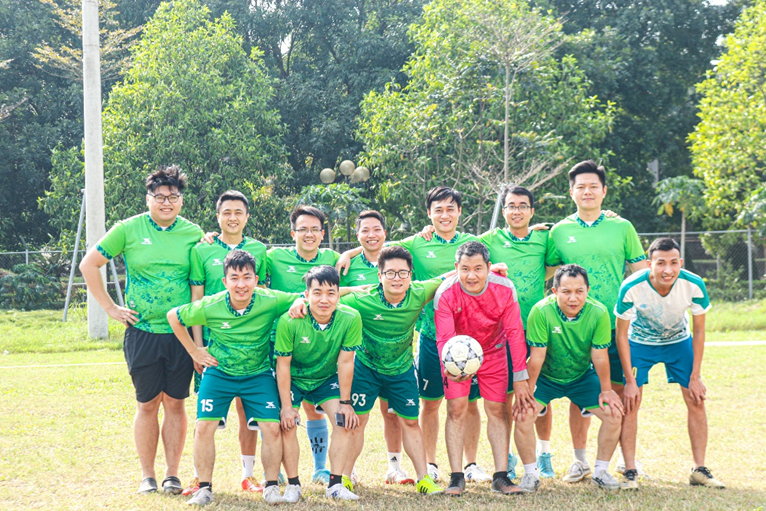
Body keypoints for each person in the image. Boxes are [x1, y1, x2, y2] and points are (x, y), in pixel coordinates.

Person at [338, 187, 487, 484]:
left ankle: (471, 464)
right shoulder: (416, 243)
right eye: (438, 210)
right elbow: (378, 245)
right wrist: (349, 251)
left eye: (450, 209)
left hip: (469, 340)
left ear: (460, 211)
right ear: (429, 214)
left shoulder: (475, 243)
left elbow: (466, 273)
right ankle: (428, 465)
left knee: (469, 403)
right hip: (431, 337)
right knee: (428, 403)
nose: (444, 215)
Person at [78, 165, 204, 495]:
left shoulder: (193, 233)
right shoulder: (128, 229)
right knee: (147, 404)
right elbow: (89, 264)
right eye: (159, 197)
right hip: (142, 331)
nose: (166, 202)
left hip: (180, 334)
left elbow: (205, 274)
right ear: (148, 198)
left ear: (181, 200)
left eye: (173, 197)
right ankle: (147, 475)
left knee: (176, 403)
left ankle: (172, 474)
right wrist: (109, 308)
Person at [167, 250, 303, 506]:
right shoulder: (211, 304)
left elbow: (299, 297)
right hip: (220, 372)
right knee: (204, 426)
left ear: (256, 279)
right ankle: (205, 488)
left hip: (258, 373)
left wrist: (297, 302)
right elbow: (173, 316)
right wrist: (194, 351)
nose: (241, 284)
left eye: (247, 277)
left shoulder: (270, 299)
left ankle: (271, 487)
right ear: (225, 281)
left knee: (272, 428)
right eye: (234, 278)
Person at [546, 160, 647, 482]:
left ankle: (625, 461)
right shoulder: (559, 231)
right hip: (575, 329)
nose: (587, 191)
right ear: (571, 191)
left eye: (593, 186)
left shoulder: (622, 228)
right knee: (581, 395)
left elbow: (640, 273)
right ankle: (580, 460)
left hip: (617, 327)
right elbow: (548, 273)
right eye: (580, 186)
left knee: (621, 393)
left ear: (604, 191)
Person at [615, 237, 724, 489]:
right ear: (649, 264)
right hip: (640, 344)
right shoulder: (631, 286)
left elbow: (699, 332)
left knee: (696, 399)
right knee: (631, 402)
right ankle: (630, 470)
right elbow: (621, 334)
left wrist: (695, 376)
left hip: (678, 342)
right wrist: (629, 381)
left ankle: (699, 469)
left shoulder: (693, 284)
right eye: (660, 263)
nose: (668, 269)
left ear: (680, 262)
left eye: (673, 263)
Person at [338, 245, 444, 495]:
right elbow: (323, 294)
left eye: (402, 273)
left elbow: (451, 276)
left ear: (411, 275)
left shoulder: (419, 292)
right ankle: (344, 477)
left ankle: (423, 480)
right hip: (366, 368)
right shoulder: (363, 300)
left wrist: (491, 270)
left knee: (409, 421)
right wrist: (348, 289)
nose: (397, 278)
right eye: (390, 273)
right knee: (357, 422)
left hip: (402, 370)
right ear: (379, 275)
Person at [434, 242, 538, 495]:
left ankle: (501, 477)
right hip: (459, 355)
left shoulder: (504, 289)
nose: (472, 275)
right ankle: (457, 477)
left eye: (478, 268)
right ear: (456, 268)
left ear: (489, 268)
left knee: (497, 410)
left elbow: (514, 333)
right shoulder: (445, 293)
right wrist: (450, 366)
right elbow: (444, 338)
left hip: (493, 351)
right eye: (465, 269)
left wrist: (521, 377)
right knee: (456, 409)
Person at [183, 190, 268, 495]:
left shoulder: (260, 249)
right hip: (211, 345)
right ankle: (199, 478)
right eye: (226, 212)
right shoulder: (201, 250)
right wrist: (197, 347)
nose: (233, 218)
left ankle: (249, 474)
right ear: (217, 216)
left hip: (251, 346)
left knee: (249, 411)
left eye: (239, 212)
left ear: (246, 216)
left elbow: (263, 297)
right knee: (208, 415)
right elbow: (196, 299)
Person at [478, 185, 558, 479]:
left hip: (536, 328)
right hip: (501, 331)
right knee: (507, 396)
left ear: (531, 211)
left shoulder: (544, 238)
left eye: (522, 206)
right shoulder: (489, 239)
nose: (516, 211)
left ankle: (544, 453)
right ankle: (509, 456)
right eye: (511, 206)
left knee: (539, 395)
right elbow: (460, 252)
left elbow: (557, 264)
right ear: (504, 211)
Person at [526, 264, 625, 491]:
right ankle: (530, 474)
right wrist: (528, 390)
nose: (573, 298)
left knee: (613, 413)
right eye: (566, 291)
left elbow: (599, 357)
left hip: (581, 377)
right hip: (546, 377)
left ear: (587, 290)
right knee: (523, 414)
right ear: (555, 291)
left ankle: (600, 471)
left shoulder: (599, 312)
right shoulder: (541, 311)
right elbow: (537, 357)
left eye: (579, 291)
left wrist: (606, 390)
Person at [265, 205, 340, 484]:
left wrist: (351, 252)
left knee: (313, 407)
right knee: (277, 408)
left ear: (322, 233)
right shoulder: (272, 257)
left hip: (319, 342)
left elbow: (376, 253)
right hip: (280, 340)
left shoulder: (333, 258)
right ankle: (274, 468)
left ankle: (320, 468)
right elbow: (253, 280)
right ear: (292, 232)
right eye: (302, 229)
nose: (308, 234)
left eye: (314, 229)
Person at [339, 210, 415, 485]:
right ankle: (348, 469)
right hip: (361, 354)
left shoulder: (398, 257)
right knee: (357, 417)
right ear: (357, 235)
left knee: (392, 414)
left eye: (376, 230)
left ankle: (394, 467)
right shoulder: (346, 264)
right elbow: (329, 291)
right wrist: (350, 261)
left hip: (396, 354)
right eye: (364, 231)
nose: (371, 235)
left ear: (385, 232)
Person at [275, 266, 363, 502]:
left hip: (325, 379)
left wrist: (345, 403)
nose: (324, 299)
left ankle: (335, 484)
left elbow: (346, 362)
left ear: (338, 294)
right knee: (287, 424)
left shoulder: (351, 318)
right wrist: (286, 406)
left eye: (331, 293)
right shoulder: (290, 321)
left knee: (343, 422)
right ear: (307, 294)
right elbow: (283, 365)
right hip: (295, 379)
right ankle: (293, 485)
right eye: (317, 293)